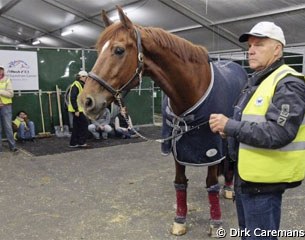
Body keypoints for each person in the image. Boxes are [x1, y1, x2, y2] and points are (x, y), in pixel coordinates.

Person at [209, 21, 305, 239]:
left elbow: (278, 132)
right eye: (250, 45)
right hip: (247, 179)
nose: (251, 50)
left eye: (259, 44)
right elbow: (252, 122)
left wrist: (230, 126)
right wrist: (229, 131)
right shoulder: (258, 81)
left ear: (277, 49)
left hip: (265, 185)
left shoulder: (288, 84)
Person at [67, 70, 89, 148]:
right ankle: (81, 142)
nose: (87, 79)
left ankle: (73, 143)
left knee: (77, 126)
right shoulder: (77, 85)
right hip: (77, 110)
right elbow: (73, 98)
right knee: (84, 124)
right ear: (82, 77)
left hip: (78, 109)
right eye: (86, 77)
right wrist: (76, 110)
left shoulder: (80, 84)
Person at [0, 66, 17, 152]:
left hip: (6, 106)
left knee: (8, 127)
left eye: (1, 70)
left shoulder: (7, 80)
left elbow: (10, 94)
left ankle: (13, 147)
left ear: (3, 71)